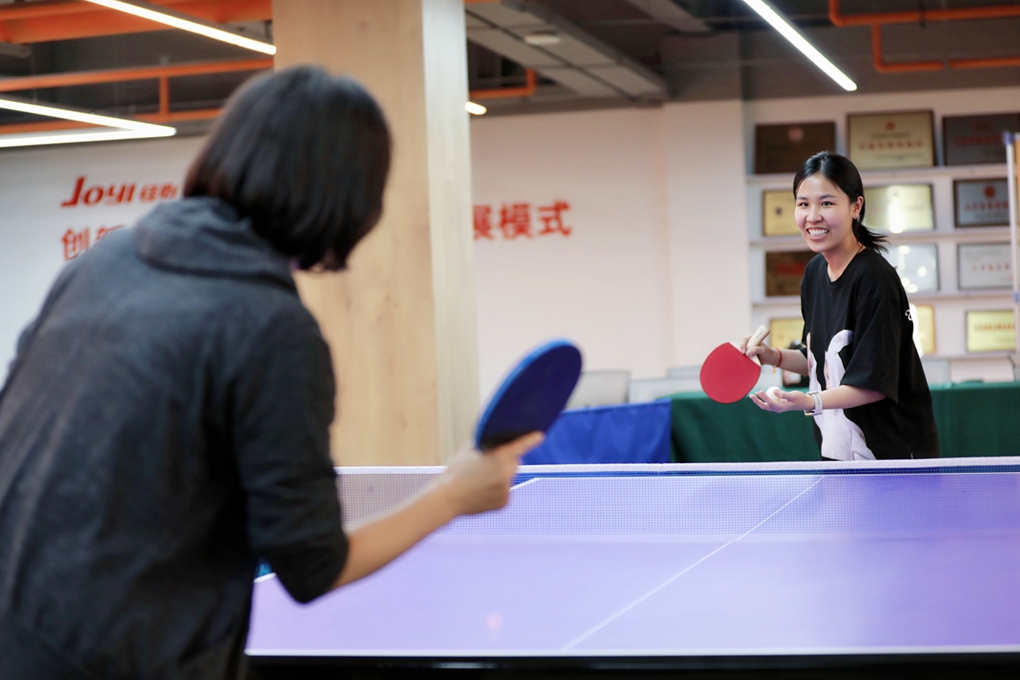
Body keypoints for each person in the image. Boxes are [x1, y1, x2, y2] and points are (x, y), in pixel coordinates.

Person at [0, 66, 543, 680]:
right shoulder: (271, 328)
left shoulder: (102, 261)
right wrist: (453, 495)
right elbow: (313, 566)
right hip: (122, 659)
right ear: (350, 196)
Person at [743, 151, 939, 461]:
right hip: (839, 452)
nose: (812, 216)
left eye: (826, 203)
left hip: (893, 455)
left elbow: (874, 384)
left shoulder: (874, 279)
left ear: (856, 206)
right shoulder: (814, 274)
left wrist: (810, 401)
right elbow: (819, 360)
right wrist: (773, 356)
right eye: (803, 204)